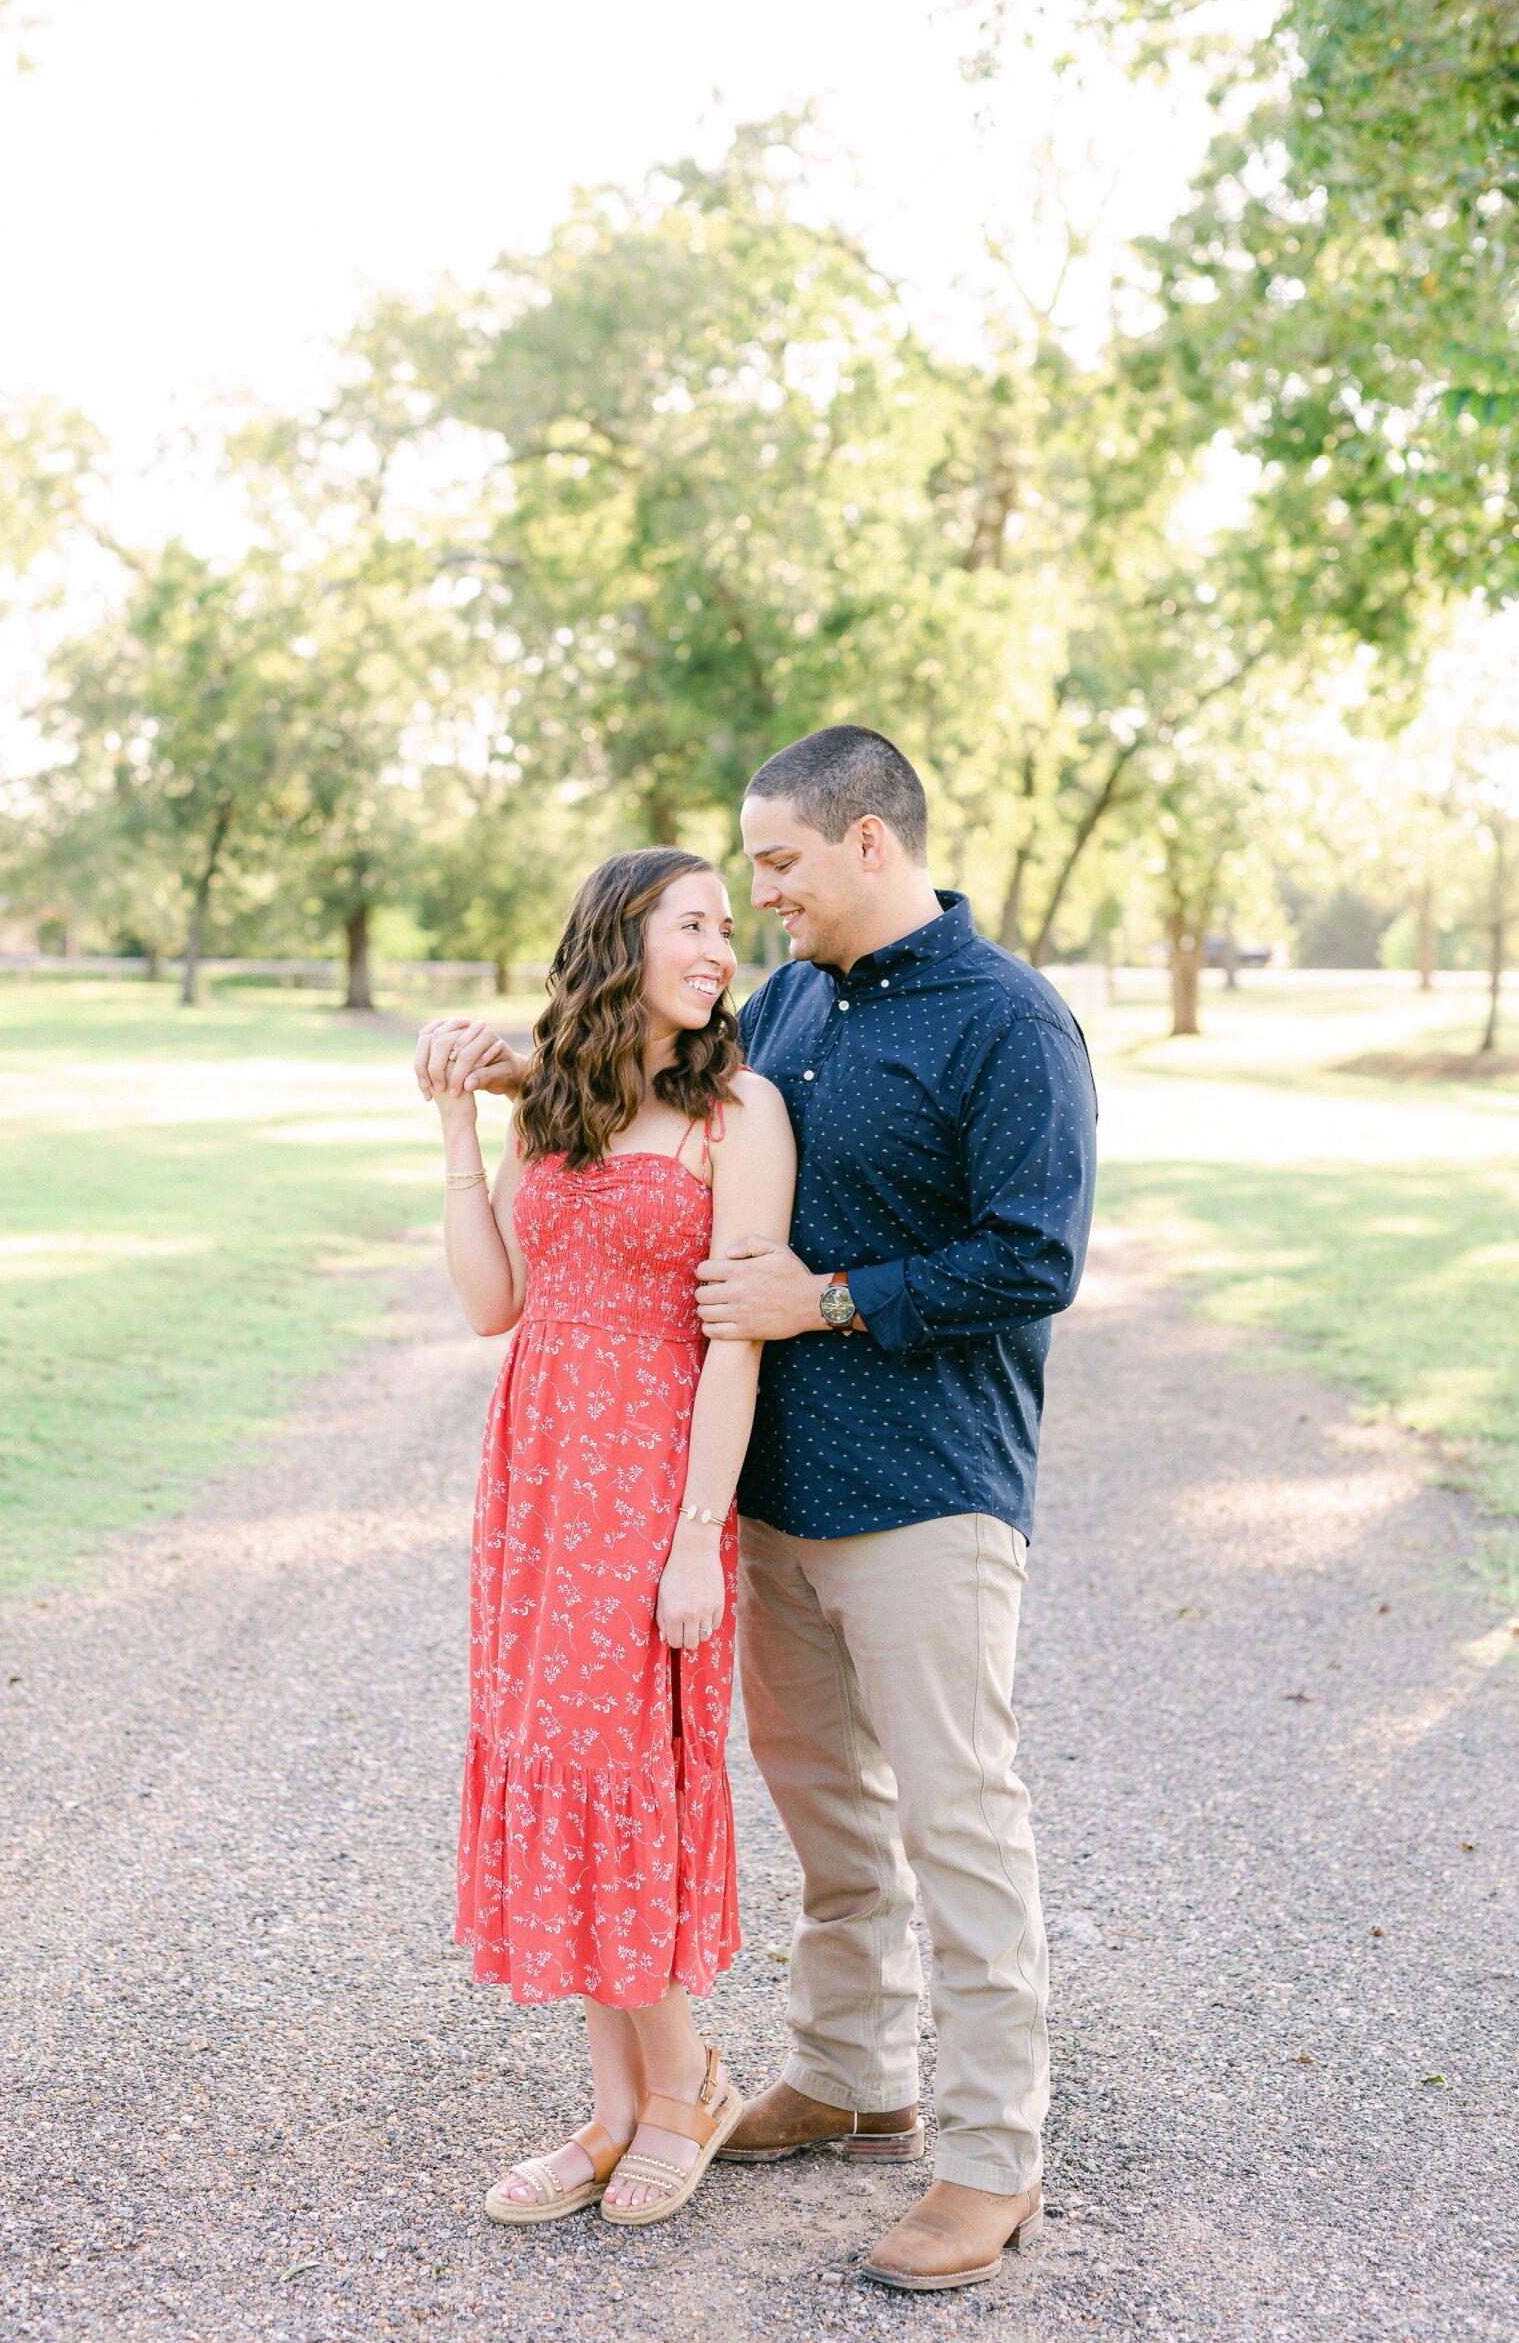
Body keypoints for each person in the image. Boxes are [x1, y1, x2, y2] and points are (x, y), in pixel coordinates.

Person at [422, 726, 1096, 2292]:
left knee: (957, 1821)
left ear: (870, 842)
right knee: (829, 1816)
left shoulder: (1008, 1021)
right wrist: (529, 1075)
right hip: (774, 1493)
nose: (763, 898)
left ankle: (990, 2161)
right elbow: (668, 1095)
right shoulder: (793, 1002)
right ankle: (854, 2079)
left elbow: (1036, 1256)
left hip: (927, 1487)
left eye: (779, 865)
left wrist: (831, 1297)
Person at [418, 846, 796, 2231]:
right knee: (557, 1764)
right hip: (536, 1481)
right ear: (620, 940)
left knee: (620, 1768)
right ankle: (615, 2109)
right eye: (693, 924)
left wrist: (698, 1538)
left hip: (650, 1483)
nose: (721, 949)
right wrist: (459, 1132)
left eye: (726, 927)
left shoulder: (738, 1111)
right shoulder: (560, 1106)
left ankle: (688, 2085)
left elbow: (737, 1342)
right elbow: (492, 1306)